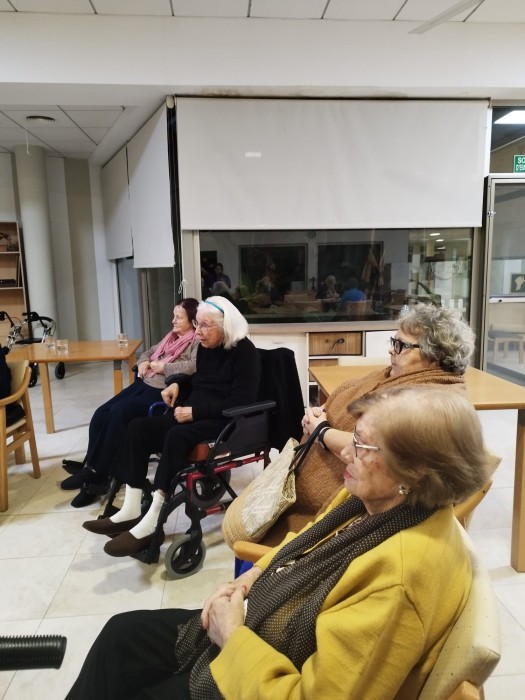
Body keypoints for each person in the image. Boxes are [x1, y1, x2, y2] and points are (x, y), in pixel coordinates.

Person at [66, 386, 492, 700]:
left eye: (363, 446)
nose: (346, 453)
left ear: (415, 473)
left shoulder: (399, 580)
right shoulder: (379, 501)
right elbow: (304, 543)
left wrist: (232, 636)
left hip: (265, 669)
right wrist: (247, 580)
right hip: (269, 628)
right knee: (121, 634)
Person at [256, 302, 476, 546]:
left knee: (262, 534)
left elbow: (374, 449)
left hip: (340, 515)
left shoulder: (431, 402)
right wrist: (323, 414)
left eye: (401, 345)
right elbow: (353, 412)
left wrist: (321, 430)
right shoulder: (394, 376)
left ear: (437, 356)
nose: (391, 350)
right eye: (393, 342)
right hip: (310, 491)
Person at [82, 296, 260, 557]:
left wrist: (194, 412)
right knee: (138, 428)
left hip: (223, 421)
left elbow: (242, 400)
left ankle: (153, 522)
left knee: (176, 435)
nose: (197, 332)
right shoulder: (207, 347)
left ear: (226, 326)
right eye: (197, 324)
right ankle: (131, 509)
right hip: (192, 414)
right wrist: (177, 384)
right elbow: (199, 380)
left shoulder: (245, 353)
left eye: (204, 326)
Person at [60, 298, 200, 508]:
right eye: (174, 316)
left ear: (193, 321)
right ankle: (90, 466)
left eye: (179, 317)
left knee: (119, 413)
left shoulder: (196, 341)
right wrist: (144, 362)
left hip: (161, 391)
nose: (173, 321)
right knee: (101, 413)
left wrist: (164, 367)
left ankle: (97, 477)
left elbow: (194, 366)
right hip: (144, 384)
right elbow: (147, 352)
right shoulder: (171, 337)